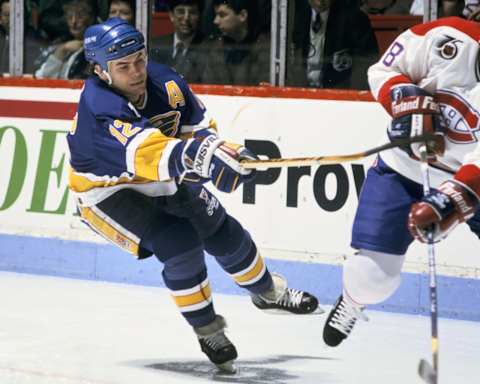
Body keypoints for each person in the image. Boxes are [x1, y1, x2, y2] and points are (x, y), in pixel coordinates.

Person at [69, 17, 321, 371]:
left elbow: (199, 131)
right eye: (123, 66)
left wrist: (226, 153)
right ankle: (208, 330)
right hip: (108, 191)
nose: (137, 71)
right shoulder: (99, 108)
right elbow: (149, 154)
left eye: (140, 59)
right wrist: (199, 159)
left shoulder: (166, 81)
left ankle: (268, 293)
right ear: (100, 71)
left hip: (162, 175)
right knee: (181, 243)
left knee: (223, 231)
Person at [322, 16, 480, 347]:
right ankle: (353, 300)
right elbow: (382, 71)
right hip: (404, 168)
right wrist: (405, 98)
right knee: (371, 277)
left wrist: (450, 201)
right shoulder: (447, 36)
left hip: (468, 179)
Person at [289, 0, 379, 89]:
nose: (320, 2)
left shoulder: (356, 19)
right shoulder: (290, 15)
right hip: (298, 91)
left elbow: (367, 63)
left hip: (337, 94)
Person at [201, 0, 270, 85]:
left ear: (242, 16)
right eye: (216, 15)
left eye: (222, 15)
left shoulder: (265, 49)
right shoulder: (216, 49)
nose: (216, 21)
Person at [35, 0, 97, 79]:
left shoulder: (95, 51)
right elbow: (42, 78)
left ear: (91, 18)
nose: (73, 21)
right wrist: (62, 49)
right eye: (70, 16)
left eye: (80, 16)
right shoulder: (62, 43)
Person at [149, 0, 206, 83]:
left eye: (192, 13)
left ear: (199, 16)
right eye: (181, 12)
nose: (186, 18)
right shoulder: (156, 44)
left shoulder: (208, 47)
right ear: (171, 15)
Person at [0, 0, 46, 74]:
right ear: (0, 18)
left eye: (16, 14)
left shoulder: (33, 39)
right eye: (7, 15)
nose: (12, 19)